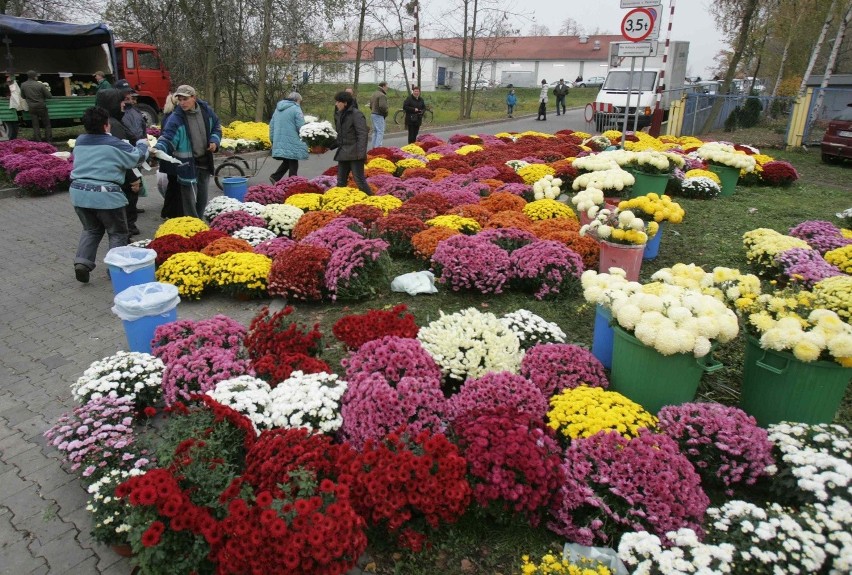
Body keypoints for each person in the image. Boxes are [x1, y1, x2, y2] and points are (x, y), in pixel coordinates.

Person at [69, 106, 149, 283]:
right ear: (106, 126)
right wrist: (143, 144)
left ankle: (82, 262)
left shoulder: (80, 141)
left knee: (91, 229)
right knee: (117, 233)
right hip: (106, 196)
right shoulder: (113, 143)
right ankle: (115, 269)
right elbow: (137, 158)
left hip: (79, 193)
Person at [154, 84, 222, 219]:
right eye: (179, 99)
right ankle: (192, 227)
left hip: (204, 162)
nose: (182, 103)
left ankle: (199, 223)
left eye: (185, 99)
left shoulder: (206, 111)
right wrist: (158, 148)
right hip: (187, 165)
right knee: (189, 200)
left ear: (194, 98)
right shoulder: (176, 118)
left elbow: (216, 126)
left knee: (202, 197)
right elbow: (168, 137)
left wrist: (214, 141)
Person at [96, 88, 144, 236]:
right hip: (122, 176)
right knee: (125, 208)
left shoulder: (110, 122)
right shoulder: (113, 125)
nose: (124, 104)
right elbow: (122, 155)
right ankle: (126, 235)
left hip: (116, 175)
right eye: (121, 101)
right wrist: (133, 178)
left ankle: (127, 230)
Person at [332, 91, 370, 194]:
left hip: (355, 154)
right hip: (343, 153)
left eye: (338, 102)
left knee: (359, 181)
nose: (336, 104)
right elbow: (340, 136)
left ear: (345, 103)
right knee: (340, 182)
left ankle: (372, 200)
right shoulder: (339, 115)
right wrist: (328, 146)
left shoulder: (356, 114)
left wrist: (361, 154)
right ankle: (340, 202)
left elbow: (362, 135)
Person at [268, 92, 309, 183]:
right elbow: (300, 126)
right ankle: (293, 183)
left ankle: (275, 177)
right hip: (293, 139)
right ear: (297, 100)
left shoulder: (277, 109)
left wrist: (272, 139)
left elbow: (271, 126)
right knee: (293, 161)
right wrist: (307, 136)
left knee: (288, 161)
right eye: (300, 101)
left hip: (280, 139)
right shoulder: (296, 108)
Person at [158, 94, 183, 219]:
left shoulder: (166, 117)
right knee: (176, 187)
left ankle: (167, 212)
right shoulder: (174, 118)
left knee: (172, 186)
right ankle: (174, 213)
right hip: (172, 157)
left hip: (166, 157)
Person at [20, 70, 51, 142]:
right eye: (36, 76)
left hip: (31, 107)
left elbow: (23, 96)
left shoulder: (23, 85)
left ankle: (38, 141)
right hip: (41, 106)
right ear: (34, 77)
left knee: (35, 125)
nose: (37, 77)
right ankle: (49, 141)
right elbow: (49, 96)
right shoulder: (40, 85)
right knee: (47, 125)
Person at [368, 81, 389, 148]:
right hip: (379, 115)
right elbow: (383, 106)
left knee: (375, 132)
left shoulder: (374, 94)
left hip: (373, 114)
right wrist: (385, 113)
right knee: (380, 131)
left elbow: (371, 105)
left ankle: (373, 147)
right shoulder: (382, 95)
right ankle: (377, 148)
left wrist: (373, 110)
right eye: (386, 86)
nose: (387, 88)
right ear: (383, 86)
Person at [6, 75, 24, 140]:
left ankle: (14, 137)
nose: (7, 82)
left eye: (8, 81)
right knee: (15, 123)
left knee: (15, 123)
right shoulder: (13, 85)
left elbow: (14, 94)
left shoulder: (13, 86)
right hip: (16, 105)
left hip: (16, 105)